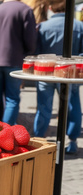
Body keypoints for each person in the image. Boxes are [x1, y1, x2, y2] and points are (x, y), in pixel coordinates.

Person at [34, 0, 82, 154]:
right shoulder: (79, 26)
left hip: (46, 73)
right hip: (69, 72)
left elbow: (37, 52)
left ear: (49, 8)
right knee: (72, 105)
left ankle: (39, 140)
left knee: (43, 107)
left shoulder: (43, 27)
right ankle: (72, 140)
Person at [0, 0, 37, 125]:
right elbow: (31, 40)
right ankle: (7, 131)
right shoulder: (25, 10)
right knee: (12, 99)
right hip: (14, 60)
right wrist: (29, 52)